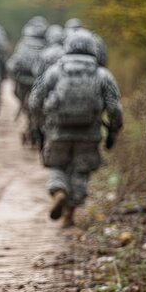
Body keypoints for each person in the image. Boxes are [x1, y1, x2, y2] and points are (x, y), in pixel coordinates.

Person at [29, 29, 123, 228]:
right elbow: (114, 108)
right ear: (93, 48)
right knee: (81, 171)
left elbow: (35, 100)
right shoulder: (102, 74)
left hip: (57, 131)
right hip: (89, 133)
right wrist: (113, 132)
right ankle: (69, 213)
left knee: (56, 166)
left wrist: (39, 124)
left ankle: (58, 191)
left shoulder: (54, 71)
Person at [6, 16, 48, 147]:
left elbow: (13, 64)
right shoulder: (47, 45)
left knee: (26, 104)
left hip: (23, 81)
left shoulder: (23, 44)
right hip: (40, 82)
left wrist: (13, 77)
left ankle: (31, 126)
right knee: (39, 105)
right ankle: (36, 127)